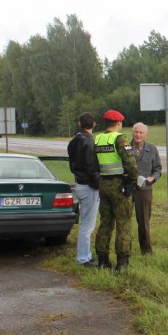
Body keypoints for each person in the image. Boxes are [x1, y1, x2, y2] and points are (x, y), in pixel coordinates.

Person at [94, 110, 139, 271]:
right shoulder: (120, 139)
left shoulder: (98, 139)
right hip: (119, 186)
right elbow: (130, 162)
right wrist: (133, 180)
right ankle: (122, 262)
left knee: (105, 222)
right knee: (123, 222)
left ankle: (102, 260)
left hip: (103, 184)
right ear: (119, 123)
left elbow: (94, 163)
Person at [67, 112, 100, 267]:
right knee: (88, 225)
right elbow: (90, 166)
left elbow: (73, 163)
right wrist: (97, 183)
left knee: (86, 223)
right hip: (88, 186)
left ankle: (86, 254)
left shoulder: (73, 141)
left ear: (80, 124)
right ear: (94, 125)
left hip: (78, 184)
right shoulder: (89, 142)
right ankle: (83, 257)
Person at [130, 122, 162, 255]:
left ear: (146, 134)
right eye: (136, 132)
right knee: (124, 220)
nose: (138, 135)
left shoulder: (152, 149)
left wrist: (153, 178)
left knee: (143, 221)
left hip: (144, 190)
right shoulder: (125, 148)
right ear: (132, 133)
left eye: (141, 132)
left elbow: (158, 169)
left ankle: (146, 250)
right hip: (127, 188)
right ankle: (125, 249)